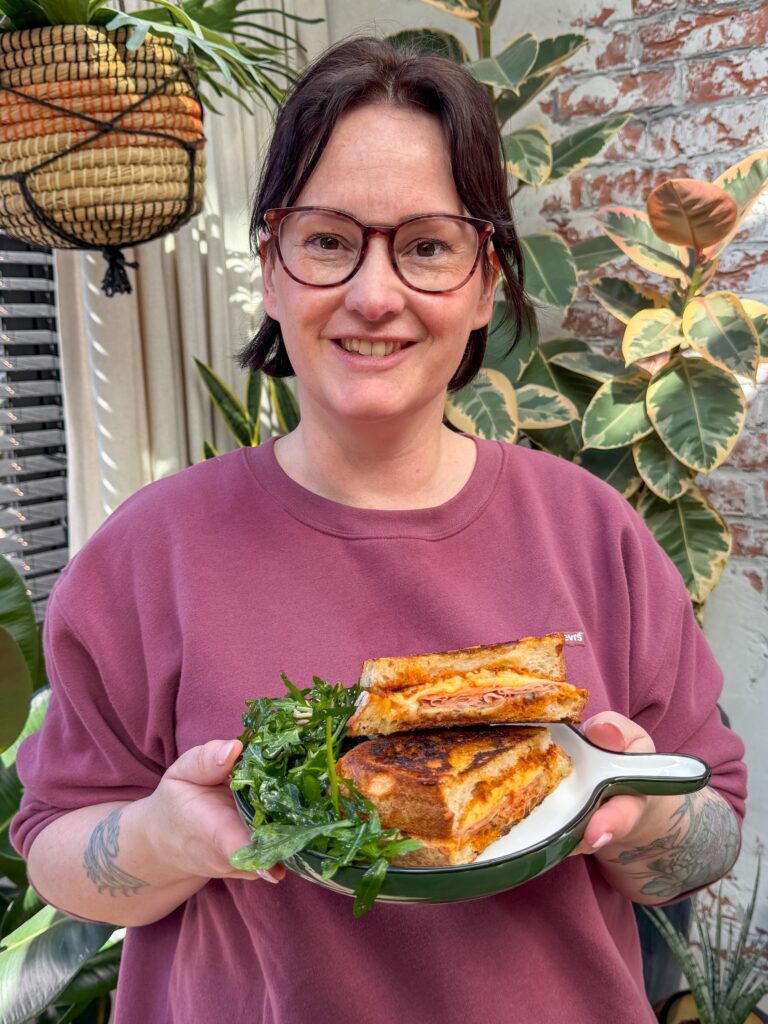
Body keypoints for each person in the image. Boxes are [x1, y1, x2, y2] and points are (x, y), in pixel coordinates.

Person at [12, 37, 746, 1024]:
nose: (373, 293)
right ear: (271, 270)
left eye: (429, 245)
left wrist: (640, 815)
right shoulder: (152, 552)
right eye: (327, 240)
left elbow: (706, 837)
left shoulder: (593, 531)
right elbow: (62, 853)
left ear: (488, 284)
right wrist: (162, 839)